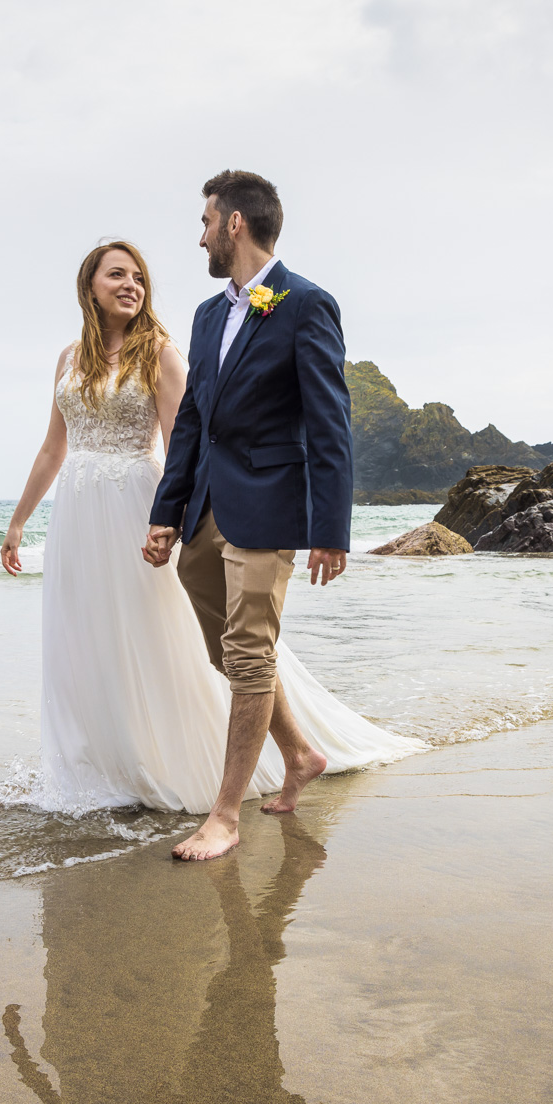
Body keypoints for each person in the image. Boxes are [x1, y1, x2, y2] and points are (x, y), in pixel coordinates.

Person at [0, 232, 417, 824]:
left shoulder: (162, 351)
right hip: (77, 518)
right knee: (87, 638)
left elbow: (183, 441)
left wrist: (173, 518)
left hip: (141, 504)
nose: (131, 286)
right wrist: (18, 523)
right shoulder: (69, 359)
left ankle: (182, 767)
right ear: (88, 287)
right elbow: (52, 448)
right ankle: (100, 764)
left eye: (138, 277)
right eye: (117, 275)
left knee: (182, 641)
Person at [144, 170, 368, 860]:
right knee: (229, 648)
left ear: (235, 223)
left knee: (247, 654)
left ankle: (225, 816)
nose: (201, 234)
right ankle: (300, 752)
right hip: (210, 504)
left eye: (206, 220)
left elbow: (330, 422)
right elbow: (191, 422)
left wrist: (329, 529)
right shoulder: (209, 314)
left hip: (272, 503)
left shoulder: (306, 304)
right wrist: (168, 509)